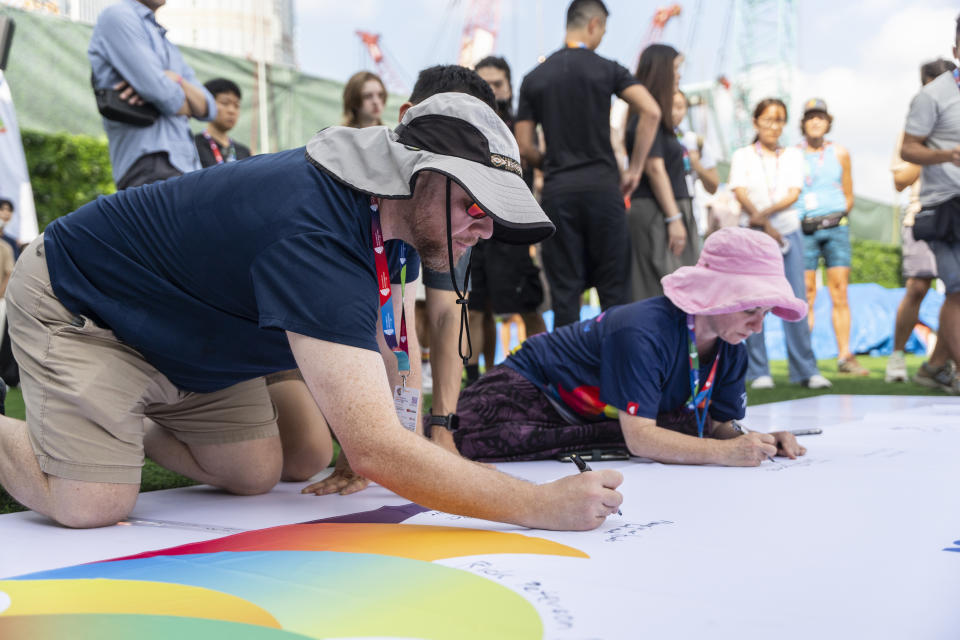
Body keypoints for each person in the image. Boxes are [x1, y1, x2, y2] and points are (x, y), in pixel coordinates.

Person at [0, 92, 624, 531]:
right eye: (477, 207)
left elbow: (383, 342)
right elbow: (379, 451)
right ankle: (86, 437)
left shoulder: (386, 219)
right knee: (92, 503)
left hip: (192, 340)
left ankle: (107, 422)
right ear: (421, 174)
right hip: (86, 306)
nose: (484, 231)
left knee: (254, 473)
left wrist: (388, 421)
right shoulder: (315, 231)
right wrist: (539, 505)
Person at [273, 65, 500, 486]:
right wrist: (372, 442)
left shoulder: (416, 209)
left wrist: (423, 435)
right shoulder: (339, 193)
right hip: (272, 350)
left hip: (311, 345)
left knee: (334, 451)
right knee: (300, 458)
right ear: (408, 117)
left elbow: (407, 333)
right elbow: (357, 331)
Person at [452, 227, 806, 466]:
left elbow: (715, 426)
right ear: (718, 297)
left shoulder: (732, 346)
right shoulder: (643, 331)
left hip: (593, 412)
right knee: (461, 440)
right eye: (749, 309)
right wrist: (725, 453)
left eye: (765, 313)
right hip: (532, 388)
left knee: (678, 429)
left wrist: (757, 441)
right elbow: (642, 440)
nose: (758, 326)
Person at [515, 0, 661, 328]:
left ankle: (570, 377)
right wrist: (634, 169)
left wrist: (550, 162)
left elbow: (523, 145)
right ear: (593, 24)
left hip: (558, 192)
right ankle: (616, 371)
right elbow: (651, 110)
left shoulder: (535, 77)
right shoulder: (607, 68)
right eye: (603, 31)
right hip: (603, 190)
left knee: (566, 294)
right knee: (614, 293)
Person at [729, 98, 831, 390]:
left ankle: (805, 369)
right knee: (753, 302)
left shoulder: (792, 156)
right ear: (755, 122)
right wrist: (761, 221)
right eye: (767, 120)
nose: (773, 126)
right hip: (753, 235)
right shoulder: (743, 155)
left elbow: (793, 192)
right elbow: (739, 189)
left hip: (786, 233)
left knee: (795, 300)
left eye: (779, 120)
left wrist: (766, 218)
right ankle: (757, 370)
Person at [465, 55, 547, 386]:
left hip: (513, 231)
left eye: (497, 83)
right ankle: (476, 382)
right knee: (474, 310)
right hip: (472, 227)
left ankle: (545, 373)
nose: (491, 90)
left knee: (528, 305)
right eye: (484, 83)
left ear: (509, 87)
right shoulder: (466, 127)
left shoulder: (522, 129)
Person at [88, 0, 216, 190]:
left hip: (187, 167)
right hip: (149, 162)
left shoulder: (165, 41)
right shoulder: (118, 16)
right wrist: (185, 99)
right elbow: (163, 95)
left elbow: (210, 108)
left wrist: (176, 80)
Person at [887, 59, 957, 386]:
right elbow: (900, 179)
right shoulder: (917, 123)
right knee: (918, 288)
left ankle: (938, 363)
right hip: (924, 214)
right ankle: (898, 356)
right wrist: (935, 149)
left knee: (954, 294)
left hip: (951, 209)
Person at [900, 16, 960, 395]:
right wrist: (948, 154)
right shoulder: (933, 95)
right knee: (957, 289)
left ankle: (936, 364)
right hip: (946, 208)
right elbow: (907, 148)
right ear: (956, 50)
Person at [796, 99, 866, 376]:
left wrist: (834, 216)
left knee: (840, 291)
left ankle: (845, 355)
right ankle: (804, 357)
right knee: (806, 293)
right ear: (803, 122)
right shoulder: (793, 154)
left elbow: (849, 194)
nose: (816, 121)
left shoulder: (840, 152)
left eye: (821, 117)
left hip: (836, 228)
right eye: (811, 117)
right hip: (805, 229)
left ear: (828, 122)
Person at [626, 44, 698, 301]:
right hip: (659, 212)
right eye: (675, 68)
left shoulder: (653, 118)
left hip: (666, 209)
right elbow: (655, 168)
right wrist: (673, 218)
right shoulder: (646, 118)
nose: (678, 75)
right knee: (666, 295)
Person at [673, 90, 720, 235]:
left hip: (692, 220)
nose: (674, 112)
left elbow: (713, 186)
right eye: (669, 106)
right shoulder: (651, 140)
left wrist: (697, 166)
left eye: (680, 107)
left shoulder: (694, 142)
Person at [194, 78, 251, 168]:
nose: (232, 111)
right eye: (225, 103)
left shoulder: (243, 152)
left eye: (237, 105)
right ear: (208, 104)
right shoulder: (194, 146)